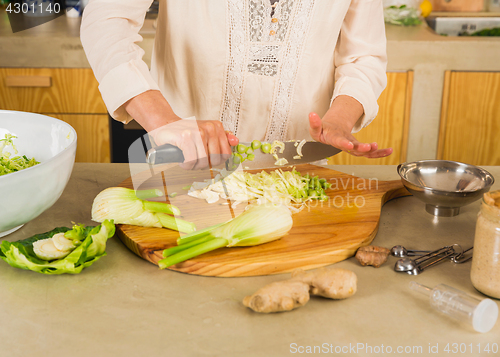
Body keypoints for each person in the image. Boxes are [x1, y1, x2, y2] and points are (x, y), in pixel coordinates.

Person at [81, 0, 393, 167]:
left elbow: (363, 57)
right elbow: (106, 23)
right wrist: (165, 122)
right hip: (184, 167)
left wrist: (339, 119)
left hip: (303, 174)